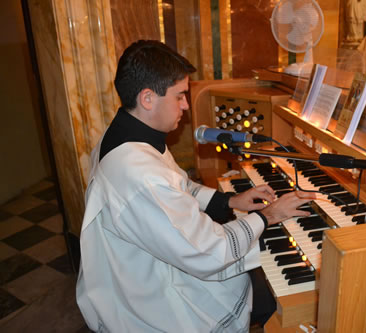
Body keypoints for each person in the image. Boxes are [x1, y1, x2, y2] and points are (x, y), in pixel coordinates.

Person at [76, 40, 316, 332]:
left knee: (261, 276)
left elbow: (177, 185)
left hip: (150, 261)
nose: (186, 106)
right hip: (152, 301)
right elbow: (206, 252)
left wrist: (229, 202)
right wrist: (270, 216)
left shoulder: (129, 134)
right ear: (148, 98)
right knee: (265, 292)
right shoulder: (138, 173)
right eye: (179, 96)